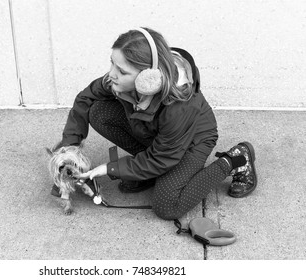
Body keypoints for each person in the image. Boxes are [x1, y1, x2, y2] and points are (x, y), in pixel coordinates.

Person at [54, 27, 257, 220]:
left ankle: (236, 160)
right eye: (112, 63)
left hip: (192, 142)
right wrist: (69, 149)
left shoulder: (177, 106)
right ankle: (147, 173)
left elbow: (162, 158)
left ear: (148, 78)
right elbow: (85, 99)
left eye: (122, 71)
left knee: (167, 206)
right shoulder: (117, 80)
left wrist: (110, 168)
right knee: (97, 111)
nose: (112, 74)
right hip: (157, 135)